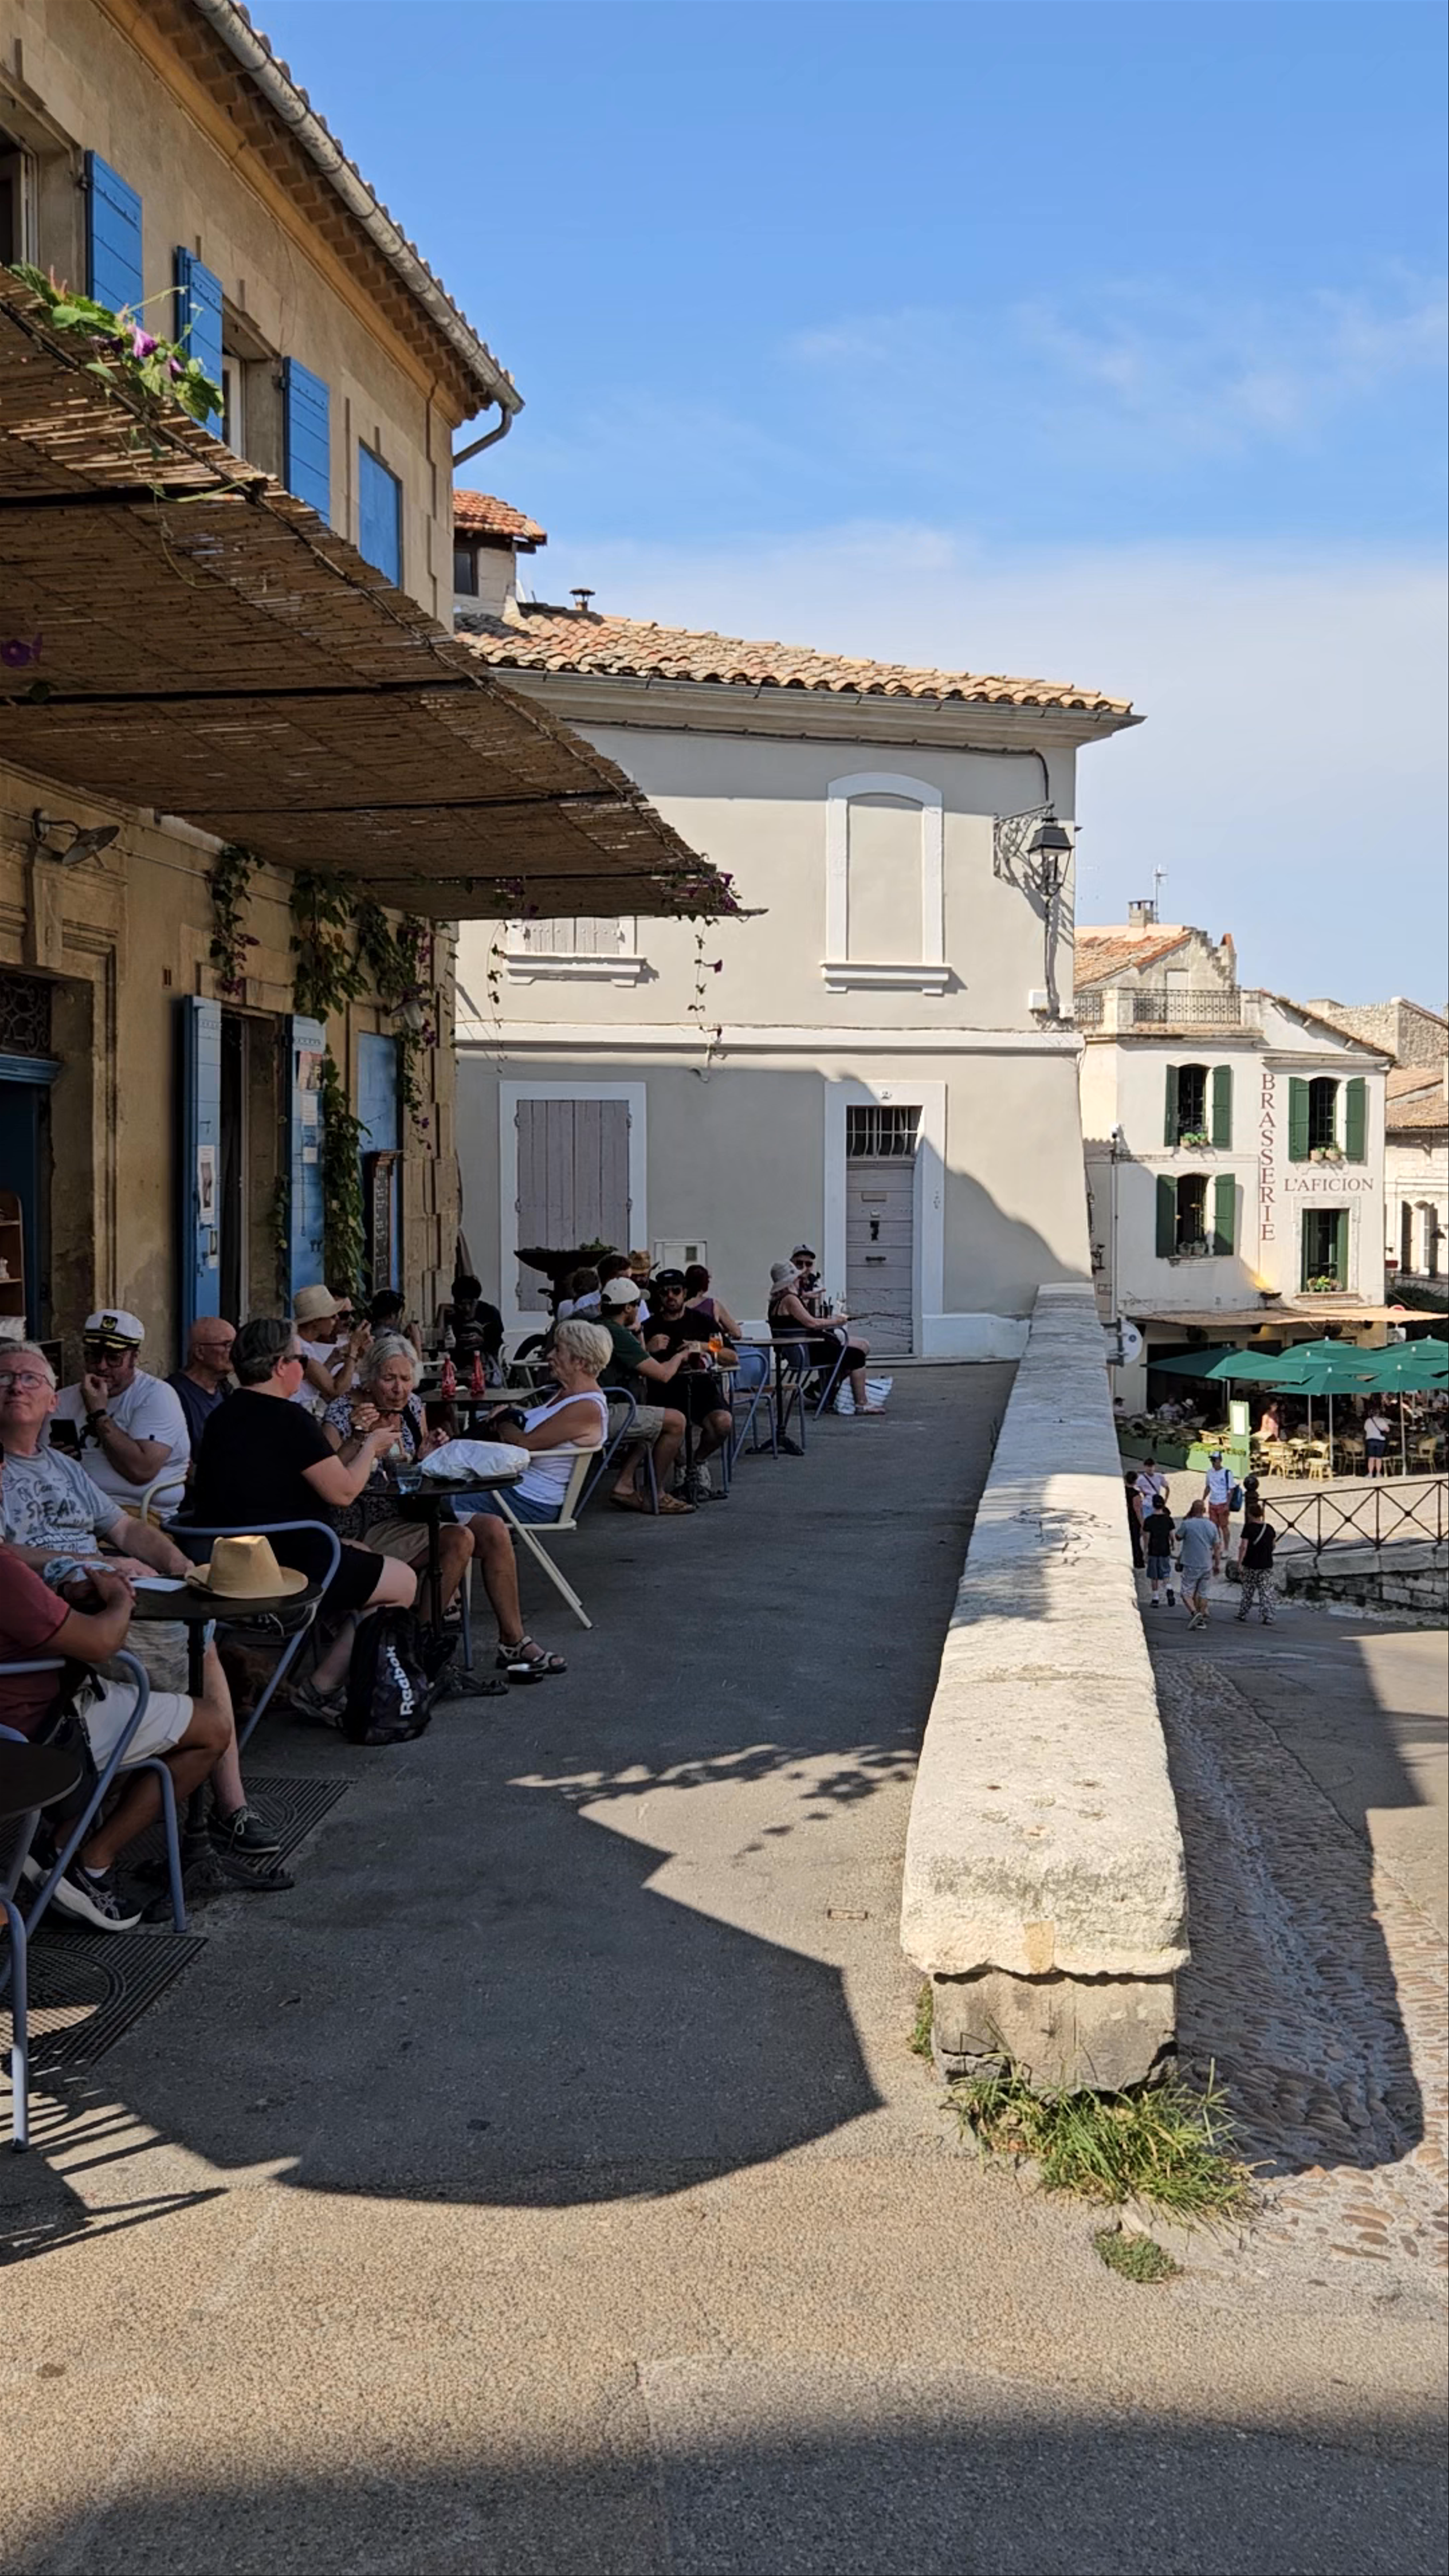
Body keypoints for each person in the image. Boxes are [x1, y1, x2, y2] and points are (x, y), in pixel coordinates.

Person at [0, 1343, 271, 1871]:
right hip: (56, 1617)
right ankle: (226, 1802)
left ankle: (204, 1792)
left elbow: (124, 1527)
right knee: (199, 1657)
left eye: (30, 1378)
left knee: (203, 1628)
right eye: (4, 1377)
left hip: (108, 1592)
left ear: (55, 1398)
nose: (16, 1385)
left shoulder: (63, 1466)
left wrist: (181, 1567)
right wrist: (90, 1561)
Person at [0, 1524, 233, 1931]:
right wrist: (119, 1599)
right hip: (39, 1727)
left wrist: (65, 1598)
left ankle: (61, 1843)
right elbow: (102, 1643)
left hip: (28, 1714)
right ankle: (91, 1863)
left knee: (145, 1709)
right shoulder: (5, 1570)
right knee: (212, 1728)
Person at [189, 1318, 418, 1724]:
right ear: (281, 1365)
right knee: (403, 1583)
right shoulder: (290, 1419)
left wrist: (354, 1441)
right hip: (287, 1566)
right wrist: (373, 1446)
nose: (305, 1369)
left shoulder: (222, 1417)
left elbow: (306, 1475)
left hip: (229, 1564)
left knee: (362, 1552)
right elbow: (344, 1492)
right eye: (300, 1360)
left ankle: (326, 1677)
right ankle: (320, 1687)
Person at [452, 1317, 611, 1678]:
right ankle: (447, 1599)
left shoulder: (586, 1405)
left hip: (532, 1497)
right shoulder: (564, 1394)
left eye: (560, 1351)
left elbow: (523, 1444)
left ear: (581, 1362)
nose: (550, 1355)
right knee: (441, 1494)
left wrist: (502, 1421)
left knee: (435, 1503)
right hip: (516, 1485)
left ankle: (440, 1602)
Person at [323, 1334, 473, 1609]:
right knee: (458, 1540)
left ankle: (513, 1640)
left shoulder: (413, 1406)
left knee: (493, 1530)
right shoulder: (343, 1412)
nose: (399, 1389)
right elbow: (327, 1475)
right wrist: (357, 1439)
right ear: (369, 1379)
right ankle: (425, 1633)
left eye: (406, 1379)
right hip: (361, 1524)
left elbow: (414, 1469)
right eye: (389, 1378)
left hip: (409, 1513)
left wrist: (425, 1455)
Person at [53, 1309, 190, 1516]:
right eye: (94, 1356)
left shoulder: (156, 1396)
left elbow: (141, 1471)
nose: (102, 1367)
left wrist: (98, 1413)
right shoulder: (63, 1398)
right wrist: (50, 1460)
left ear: (134, 1358)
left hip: (137, 1512)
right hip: (74, 1508)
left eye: (114, 1358)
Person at [596, 1276, 693, 1514]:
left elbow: (638, 1355)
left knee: (652, 1416)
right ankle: (655, 1494)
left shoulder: (596, 1325)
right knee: (676, 1421)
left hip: (589, 1405)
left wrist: (638, 1331)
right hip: (604, 1410)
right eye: (637, 1304)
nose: (640, 1308)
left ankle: (625, 1484)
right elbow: (661, 1374)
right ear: (628, 1308)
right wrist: (681, 1356)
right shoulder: (616, 1333)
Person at [643, 1270, 736, 1496]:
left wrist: (704, 1347)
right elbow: (633, 1363)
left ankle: (698, 1462)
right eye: (665, 1292)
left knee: (723, 1423)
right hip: (664, 1390)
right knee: (664, 1426)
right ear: (659, 1296)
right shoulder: (649, 1327)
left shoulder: (703, 1322)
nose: (671, 1297)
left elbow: (731, 1356)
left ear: (685, 1293)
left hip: (701, 1386)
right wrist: (648, 1349)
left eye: (676, 1291)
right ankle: (682, 1464)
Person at [766, 1263, 877, 1416]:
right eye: (798, 1278)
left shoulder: (776, 1303)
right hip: (807, 1352)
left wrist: (806, 1298)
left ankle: (827, 1394)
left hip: (796, 1352)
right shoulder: (791, 1300)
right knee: (856, 1355)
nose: (801, 1281)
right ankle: (861, 1403)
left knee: (846, 1352)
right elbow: (812, 1323)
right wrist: (838, 1322)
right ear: (791, 1282)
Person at [291, 1285, 371, 1415]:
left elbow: (316, 1380)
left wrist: (334, 1360)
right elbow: (336, 1391)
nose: (337, 1320)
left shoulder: (302, 1345)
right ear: (315, 1322)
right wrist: (354, 1349)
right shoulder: (301, 1350)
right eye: (333, 1316)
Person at [167, 1315, 235, 1454]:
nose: (234, 1352)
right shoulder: (174, 1394)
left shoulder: (225, 1390)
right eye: (227, 1345)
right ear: (200, 1352)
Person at [440, 1273, 504, 1375]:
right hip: (458, 1365)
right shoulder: (452, 1314)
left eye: (471, 1303)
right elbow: (438, 1338)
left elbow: (497, 1342)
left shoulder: (490, 1313)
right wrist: (441, 1310)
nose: (467, 1309)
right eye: (462, 1304)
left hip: (484, 1366)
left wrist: (482, 1341)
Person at [1176, 1498, 1220, 1630]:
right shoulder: (1212, 1525)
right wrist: (1217, 1563)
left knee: (1186, 1592)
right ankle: (1201, 1618)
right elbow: (1217, 1546)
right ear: (1205, 1511)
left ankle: (1195, 1613)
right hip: (1206, 1562)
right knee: (1203, 1592)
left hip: (1191, 1562)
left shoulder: (1187, 1524)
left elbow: (1178, 1537)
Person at [1235, 1501, 1278, 1625]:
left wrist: (1240, 1563)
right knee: (1266, 1590)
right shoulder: (1270, 1528)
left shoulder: (1249, 1528)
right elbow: (1273, 1545)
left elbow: (1243, 1547)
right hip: (1266, 1564)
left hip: (1251, 1564)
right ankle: (1268, 1615)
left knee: (1248, 1589)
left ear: (1250, 1514)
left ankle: (1243, 1613)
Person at [682, 1264, 744, 1341]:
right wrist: (721, 1330)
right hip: (709, 1349)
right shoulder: (713, 1305)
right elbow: (737, 1333)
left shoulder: (679, 1306)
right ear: (706, 1284)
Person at [366, 1288, 424, 1361]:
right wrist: (417, 1342)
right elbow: (416, 1369)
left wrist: (403, 1337)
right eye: (401, 1314)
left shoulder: (368, 1333)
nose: (402, 1319)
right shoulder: (392, 1339)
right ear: (393, 1315)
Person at [1142, 1493, 1177, 1608]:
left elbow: (1147, 1537)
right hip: (1165, 1549)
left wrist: (1145, 1551)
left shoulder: (1149, 1521)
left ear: (1153, 1505)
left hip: (1153, 1549)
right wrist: (1173, 1545)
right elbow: (1172, 1536)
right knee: (1165, 1572)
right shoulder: (1168, 1520)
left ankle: (1156, 1598)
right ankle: (1169, 1588)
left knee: (1154, 1575)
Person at [1202, 1449, 1235, 1551]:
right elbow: (1208, 1487)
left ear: (1220, 1460)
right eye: (1212, 1460)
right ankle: (1217, 1546)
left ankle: (1226, 1548)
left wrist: (1227, 1505)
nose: (1213, 1463)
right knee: (1214, 1527)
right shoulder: (1209, 1472)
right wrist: (1203, 1499)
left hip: (1223, 1502)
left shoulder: (1227, 1473)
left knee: (1224, 1526)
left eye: (1215, 1460)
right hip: (1212, 1502)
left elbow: (1231, 1490)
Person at [1363, 1404, 1392, 1478]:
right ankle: (1378, 1473)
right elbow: (1388, 1430)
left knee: (1371, 1458)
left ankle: (1370, 1474)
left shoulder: (1368, 1421)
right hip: (1380, 1441)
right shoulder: (1381, 1420)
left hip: (1370, 1440)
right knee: (1379, 1458)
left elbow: (1366, 1429)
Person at [1124, 1472, 1144, 1569]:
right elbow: (1138, 1510)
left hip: (1126, 1518)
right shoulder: (1136, 1495)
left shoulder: (1122, 1491)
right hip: (1133, 1520)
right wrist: (1142, 1523)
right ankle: (1138, 1562)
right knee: (1136, 1542)